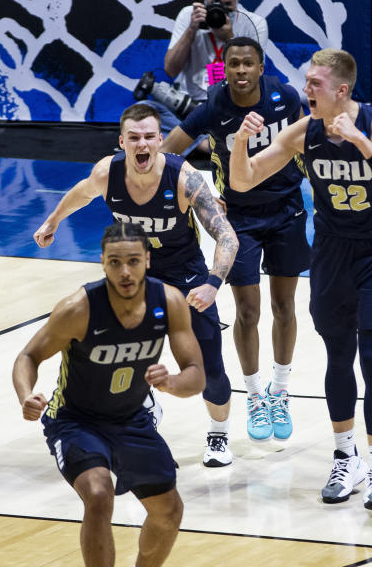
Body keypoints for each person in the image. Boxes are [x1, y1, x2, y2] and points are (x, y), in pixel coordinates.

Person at [229, 48, 372, 512]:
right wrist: (237, 145)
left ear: (341, 91)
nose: (305, 89)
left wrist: (361, 143)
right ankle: (344, 456)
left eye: (314, 83)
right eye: (307, 82)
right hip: (333, 250)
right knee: (337, 354)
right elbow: (245, 181)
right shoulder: (304, 131)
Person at [33, 103, 239, 467]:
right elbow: (80, 193)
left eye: (148, 137)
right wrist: (51, 222)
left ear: (160, 140)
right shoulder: (107, 173)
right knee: (107, 349)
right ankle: (139, 404)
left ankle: (219, 434)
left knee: (210, 370)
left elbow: (227, 237)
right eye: (134, 138)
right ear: (122, 142)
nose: (141, 145)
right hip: (133, 278)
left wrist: (212, 284)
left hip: (184, 276)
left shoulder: (184, 178)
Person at [13, 222, 206, 567]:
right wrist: (26, 395)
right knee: (99, 496)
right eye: (115, 263)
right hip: (75, 421)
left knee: (169, 511)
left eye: (133, 261)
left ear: (148, 260)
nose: (125, 272)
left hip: (131, 418)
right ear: (103, 262)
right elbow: (28, 356)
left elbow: (196, 376)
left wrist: (171, 383)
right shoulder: (79, 309)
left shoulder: (170, 302)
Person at [161, 37, 308, 442]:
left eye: (248, 64)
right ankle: (256, 395)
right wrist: (199, 193)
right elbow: (170, 153)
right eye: (234, 64)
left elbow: (305, 143)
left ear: (261, 68)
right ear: (225, 68)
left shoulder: (286, 98)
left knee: (284, 305)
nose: (241, 71)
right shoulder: (214, 107)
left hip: (287, 210)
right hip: (239, 218)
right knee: (247, 311)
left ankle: (281, 390)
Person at [150, 0, 268, 155]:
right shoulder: (189, 15)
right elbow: (170, 70)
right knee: (145, 110)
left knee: (260, 119)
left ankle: (186, 141)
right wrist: (191, 29)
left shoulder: (253, 23)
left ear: (238, 1)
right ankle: (204, 145)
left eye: (228, 5)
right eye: (215, 4)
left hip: (230, 105)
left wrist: (229, 38)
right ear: (205, 0)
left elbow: (256, 77)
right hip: (189, 105)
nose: (220, 10)